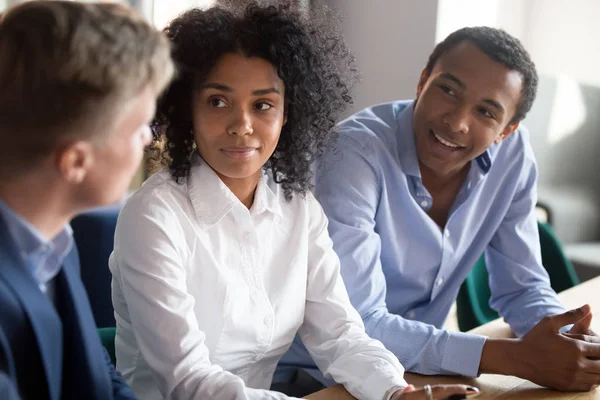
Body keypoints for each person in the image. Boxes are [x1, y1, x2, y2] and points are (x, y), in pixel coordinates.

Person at [108, 2, 478, 400]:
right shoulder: (153, 217)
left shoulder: (297, 207)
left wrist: (395, 391)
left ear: (287, 114)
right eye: (218, 101)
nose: (242, 126)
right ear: (187, 110)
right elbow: (189, 382)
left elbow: (340, 334)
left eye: (263, 105)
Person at [276, 25, 600, 392]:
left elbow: (522, 288)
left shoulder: (513, 156)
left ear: (507, 129)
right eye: (448, 90)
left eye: (487, 112)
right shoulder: (351, 154)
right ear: (422, 81)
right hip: (316, 377)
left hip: (420, 374)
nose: (457, 122)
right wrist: (515, 357)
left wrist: (569, 340)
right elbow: (358, 321)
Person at [0, 1, 174, 399]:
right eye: (137, 129)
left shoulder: (54, 239)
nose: (148, 140)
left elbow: (97, 376)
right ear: (76, 160)